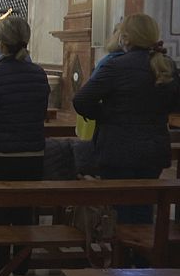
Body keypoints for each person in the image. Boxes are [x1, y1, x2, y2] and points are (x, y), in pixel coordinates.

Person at [73, 14, 178, 228]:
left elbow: (82, 100)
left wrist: (105, 114)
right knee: (143, 209)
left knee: (118, 211)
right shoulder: (166, 66)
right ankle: (142, 258)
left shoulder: (116, 66)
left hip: (117, 149)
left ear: (126, 38)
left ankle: (121, 256)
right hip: (152, 150)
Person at [0, 16, 50, 276]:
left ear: (0, 44)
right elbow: (40, 114)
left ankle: (2, 264)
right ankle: (22, 266)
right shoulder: (39, 75)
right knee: (26, 211)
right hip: (32, 155)